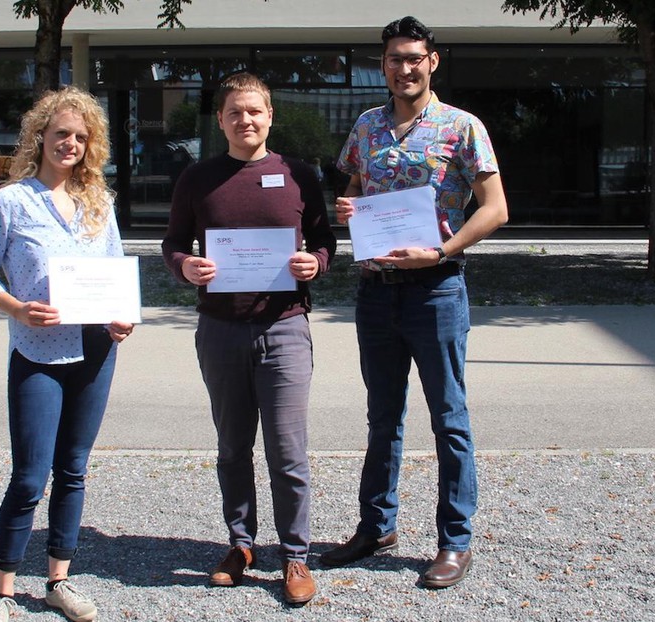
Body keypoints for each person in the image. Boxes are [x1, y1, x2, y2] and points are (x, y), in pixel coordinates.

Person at [320, 16, 509, 590]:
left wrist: (442, 250)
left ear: (432, 62)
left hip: (437, 289)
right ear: (383, 66)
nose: (405, 67)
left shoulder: (462, 127)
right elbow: (349, 192)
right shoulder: (367, 126)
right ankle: (376, 526)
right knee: (383, 417)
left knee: (449, 418)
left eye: (415, 58)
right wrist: (346, 207)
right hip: (377, 293)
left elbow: (496, 208)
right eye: (395, 58)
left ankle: (455, 541)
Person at [161, 72, 336, 606]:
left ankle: (295, 556)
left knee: (288, 451)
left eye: (255, 111)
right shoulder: (198, 177)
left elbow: (325, 240)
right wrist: (186, 265)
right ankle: (241, 545)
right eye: (235, 112)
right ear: (220, 120)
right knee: (233, 448)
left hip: (284, 328)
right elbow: (172, 243)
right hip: (220, 329)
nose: (246, 120)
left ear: (270, 115)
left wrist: (316, 262)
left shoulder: (298, 174)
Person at [0, 86, 134, 622]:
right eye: (62, 133)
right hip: (37, 350)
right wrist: (15, 308)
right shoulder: (11, 201)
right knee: (30, 477)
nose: (71, 144)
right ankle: (3, 591)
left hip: (94, 350)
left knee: (75, 471)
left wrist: (122, 316)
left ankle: (59, 581)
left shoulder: (98, 203)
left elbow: (113, 272)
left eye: (82, 137)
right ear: (40, 136)